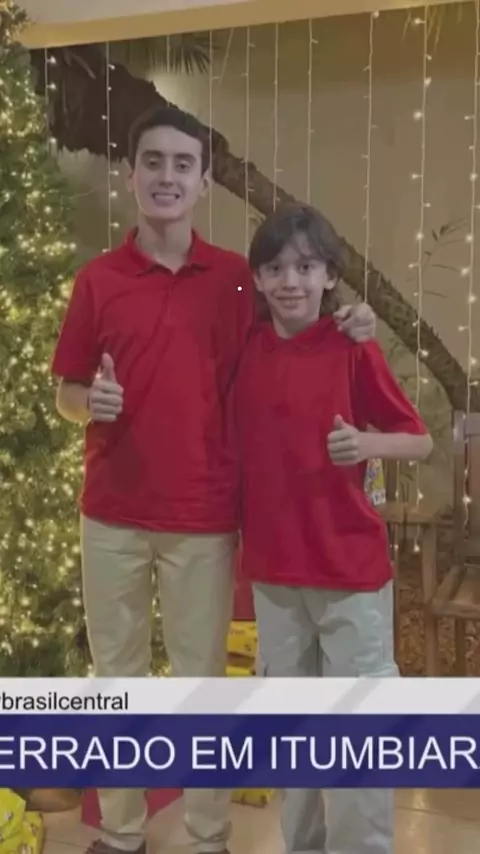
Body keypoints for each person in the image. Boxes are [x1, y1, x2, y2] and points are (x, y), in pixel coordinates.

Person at [51, 106, 377, 854]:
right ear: (131, 175)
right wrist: (86, 403)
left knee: (201, 681)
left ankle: (206, 837)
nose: (167, 177)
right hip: (111, 514)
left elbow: (297, 330)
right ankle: (123, 833)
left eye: (182, 164)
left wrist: (351, 320)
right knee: (116, 678)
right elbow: (67, 390)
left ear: (202, 183)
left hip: (204, 515)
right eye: (153, 162)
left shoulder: (235, 279)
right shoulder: (97, 280)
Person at [235, 203, 432, 854]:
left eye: (305, 266)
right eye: (275, 268)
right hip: (274, 576)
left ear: (328, 276)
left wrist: (368, 442)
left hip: (350, 574)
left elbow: (419, 440)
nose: (290, 280)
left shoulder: (353, 346)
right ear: (258, 279)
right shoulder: (246, 351)